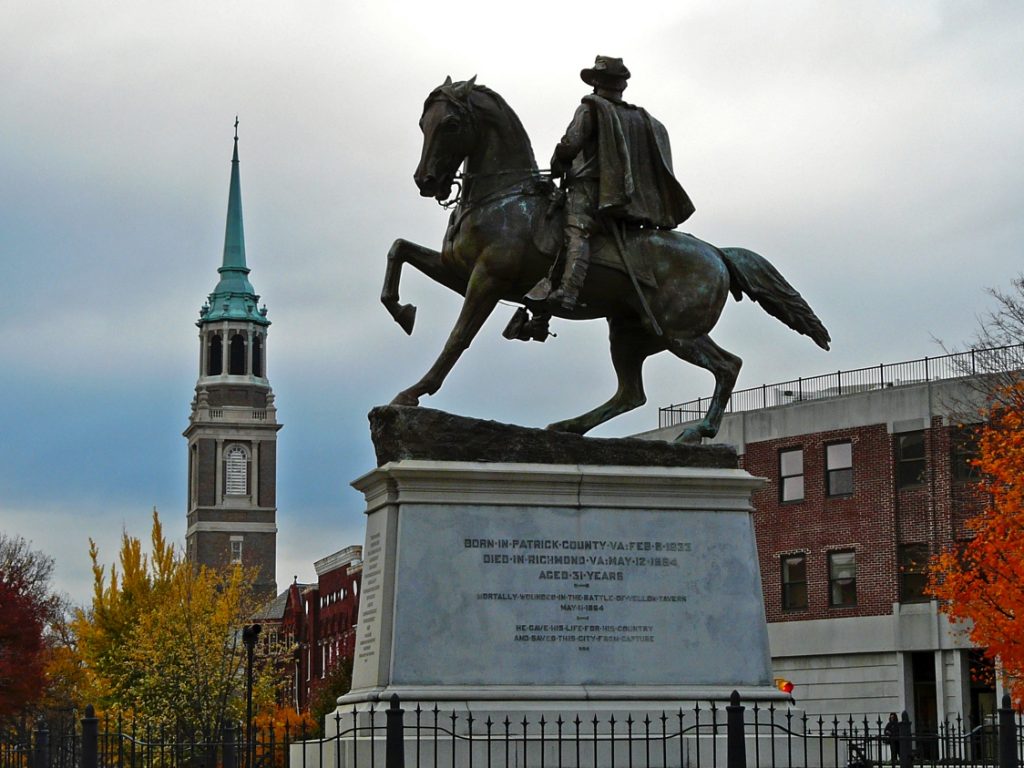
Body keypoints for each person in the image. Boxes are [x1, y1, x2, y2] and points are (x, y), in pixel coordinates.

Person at [526, 55, 695, 311]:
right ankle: (540, 315)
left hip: (590, 190)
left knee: (575, 231)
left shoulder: (590, 108)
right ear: (621, 85)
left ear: (595, 82)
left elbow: (571, 144)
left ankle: (568, 292)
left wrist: (558, 161)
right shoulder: (639, 118)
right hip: (629, 198)